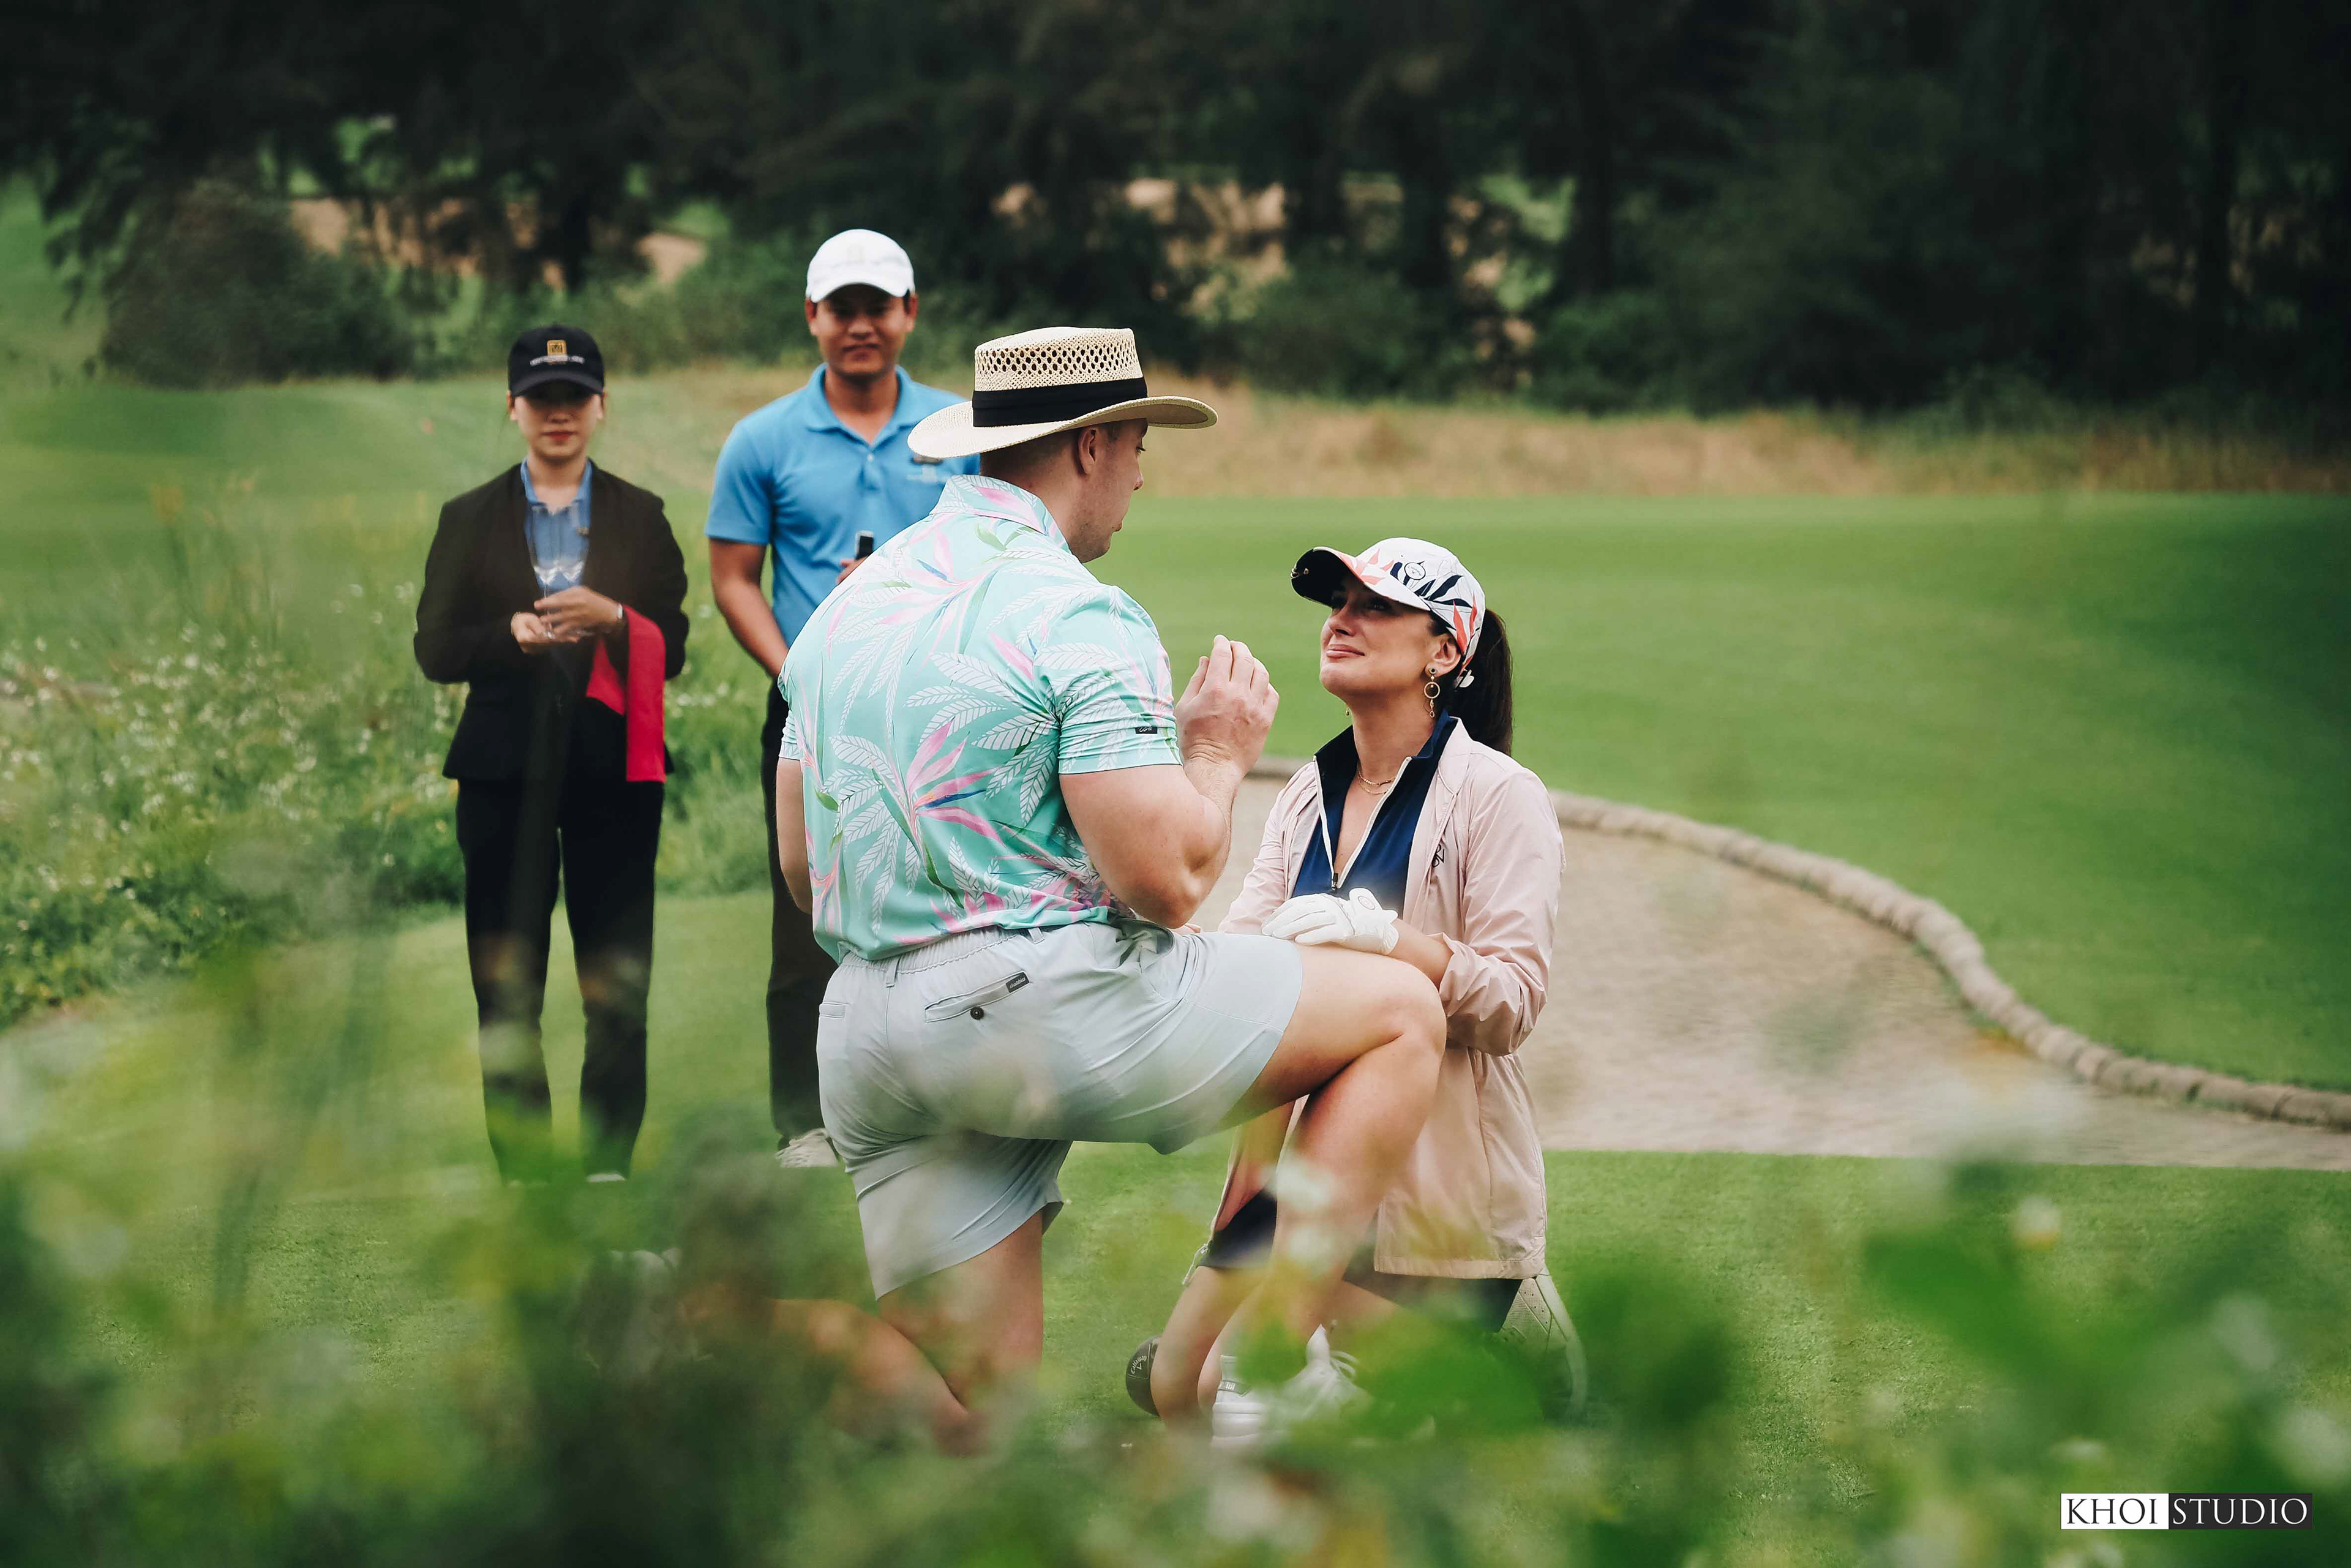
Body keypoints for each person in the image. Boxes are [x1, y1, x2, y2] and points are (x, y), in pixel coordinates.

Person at [771, 326, 1447, 1446]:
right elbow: (1169, 879)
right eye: (1137, 443)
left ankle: (710, 1322)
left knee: (977, 1426)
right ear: (1088, 444)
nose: (1140, 475)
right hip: (1033, 1015)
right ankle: (1267, 1364)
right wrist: (1219, 750)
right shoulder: (1078, 609)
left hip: (867, 1036)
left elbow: (803, 865)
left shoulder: (845, 607)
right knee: (1399, 1014)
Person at [1125, 539, 1584, 1431]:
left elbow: (1513, 1002)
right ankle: (1389, 1368)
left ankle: (1505, 1372)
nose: (1342, 619)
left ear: (1445, 650)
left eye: (1377, 605)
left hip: (1435, 1221)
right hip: (1308, 1198)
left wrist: (1391, 941)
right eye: (1339, 601)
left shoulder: (1500, 793)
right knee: (1183, 1385)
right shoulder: (1308, 791)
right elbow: (1239, 969)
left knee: (1230, 1385)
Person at [704, 230, 980, 1169]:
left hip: (940, 702)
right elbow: (736, 576)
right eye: (842, 309)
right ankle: (805, 1120)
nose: (861, 325)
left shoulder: (961, 431)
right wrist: (797, 668)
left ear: (910, 313)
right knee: (805, 911)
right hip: (812, 704)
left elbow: (996, 553)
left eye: (879, 306)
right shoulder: (764, 439)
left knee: (952, 894)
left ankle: (947, 1095)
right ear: (813, 317)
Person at [414, 324, 688, 1184]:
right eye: (542, 399)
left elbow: (672, 643)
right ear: (513, 409)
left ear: (601, 407)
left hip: (615, 777)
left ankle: (606, 1171)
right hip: (501, 776)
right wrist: (510, 633)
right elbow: (435, 648)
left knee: (616, 985)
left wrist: (613, 619)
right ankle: (530, 1176)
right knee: (507, 988)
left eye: (575, 397)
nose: (559, 413)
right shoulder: (468, 517)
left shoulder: (642, 516)